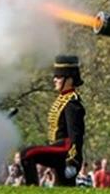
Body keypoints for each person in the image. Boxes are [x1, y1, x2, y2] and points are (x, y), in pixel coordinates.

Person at [19, 55, 86, 187]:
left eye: (59, 77)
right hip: (58, 146)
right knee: (64, 189)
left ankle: (32, 190)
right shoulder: (63, 99)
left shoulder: (72, 103)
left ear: (69, 79)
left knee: (27, 154)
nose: (54, 80)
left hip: (65, 148)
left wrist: (73, 161)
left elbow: (76, 135)